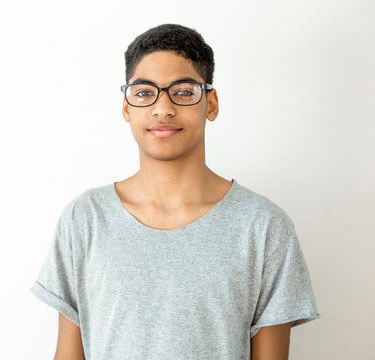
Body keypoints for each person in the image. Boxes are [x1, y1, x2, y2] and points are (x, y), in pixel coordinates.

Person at [30, 23, 320, 360]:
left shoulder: (264, 227)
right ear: (126, 107)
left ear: (210, 103)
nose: (163, 108)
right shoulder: (85, 219)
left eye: (183, 91)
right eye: (144, 92)